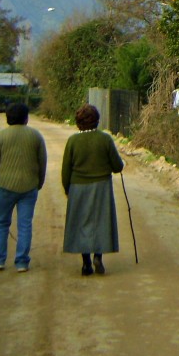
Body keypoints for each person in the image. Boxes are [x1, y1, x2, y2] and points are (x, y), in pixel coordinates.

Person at [62, 103, 124, 276]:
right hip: (101, 186)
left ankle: (86, 264)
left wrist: (68, 188)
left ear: (78, 122)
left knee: (82, 223)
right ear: (96, 121)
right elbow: (117, 166)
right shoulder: (105, 139)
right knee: (100, 222)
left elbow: (66, 168)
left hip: (78, 187)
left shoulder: (73, 141)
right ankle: (98, 256)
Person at [0, 102, 48, 272]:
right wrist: (39, 182)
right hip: (29, 187)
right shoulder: (36, 136)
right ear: (26, 118)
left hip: (5, 186)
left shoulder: (0, 136)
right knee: (25, 225)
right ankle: (21, 262)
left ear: (8, 118)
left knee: (2, 223)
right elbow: (42, 162)